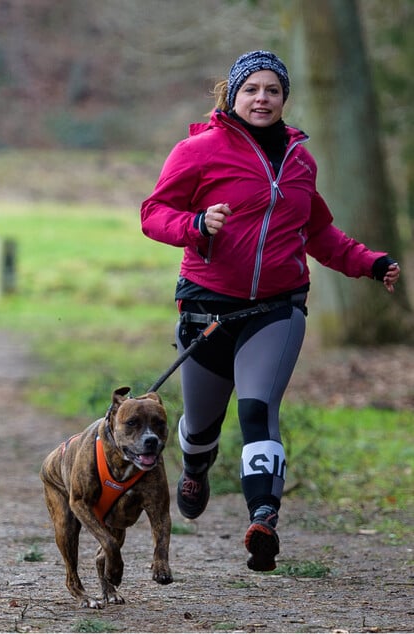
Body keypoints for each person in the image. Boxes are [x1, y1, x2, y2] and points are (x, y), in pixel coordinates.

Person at [140, 50, 401, 572]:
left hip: (275, 310)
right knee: (200, 427)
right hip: (207, 309)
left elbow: (319, 232)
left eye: (273, 90)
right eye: (252, 89)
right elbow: (154, 214)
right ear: (233, 96)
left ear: (284, 98)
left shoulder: (300, 161)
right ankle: (196, 466)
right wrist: (195, 225)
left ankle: (263, 518)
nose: (262, 98)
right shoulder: (198, 151)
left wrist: (369, 263)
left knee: (258, 410)